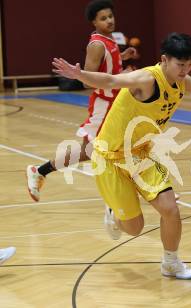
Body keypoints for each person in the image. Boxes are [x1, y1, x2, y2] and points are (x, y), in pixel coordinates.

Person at [52, 33, 191, 279]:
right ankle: (114, 211)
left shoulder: (182, 80)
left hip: (141, 154)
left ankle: (171, 263)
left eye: (189, 64)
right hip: (109, 158)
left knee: (170, 209)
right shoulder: (146, 79)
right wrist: (80, 75)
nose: (185, 70)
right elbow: (110, 79)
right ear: (164, 60)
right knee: (134, 228)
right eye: (180, 64)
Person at [26, 0, 137, 202]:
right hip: (104, 105)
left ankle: (39, 171)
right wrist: (125, 77)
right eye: (103, 19)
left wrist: (122, 57)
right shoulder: (96, 44)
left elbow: (107, 68)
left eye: (110, 16)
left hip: (114, 103)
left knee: (98, 152)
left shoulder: (109, 40)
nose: (109, 21)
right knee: (104, 151)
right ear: (94, 22)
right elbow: (89, 81)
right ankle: (116, 204)